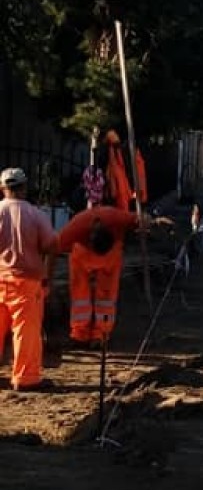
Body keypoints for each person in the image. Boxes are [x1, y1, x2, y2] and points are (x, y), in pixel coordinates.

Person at [0, 166, 59, 392]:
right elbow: (53, 245)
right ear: (24, 188)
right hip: (27, 282)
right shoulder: (36, 214)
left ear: (3, 188)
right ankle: (26, 379)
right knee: (26, 331)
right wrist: (47, 277)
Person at [55, 205, 142, 344]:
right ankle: (80, 332)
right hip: (83, 256)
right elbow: (51, 249)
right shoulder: (75, 228)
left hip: (110, 256)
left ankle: (101, 332)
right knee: (80, 294)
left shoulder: (117, 217)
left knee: (106, 296)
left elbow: (141, 219)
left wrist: (153, 221)